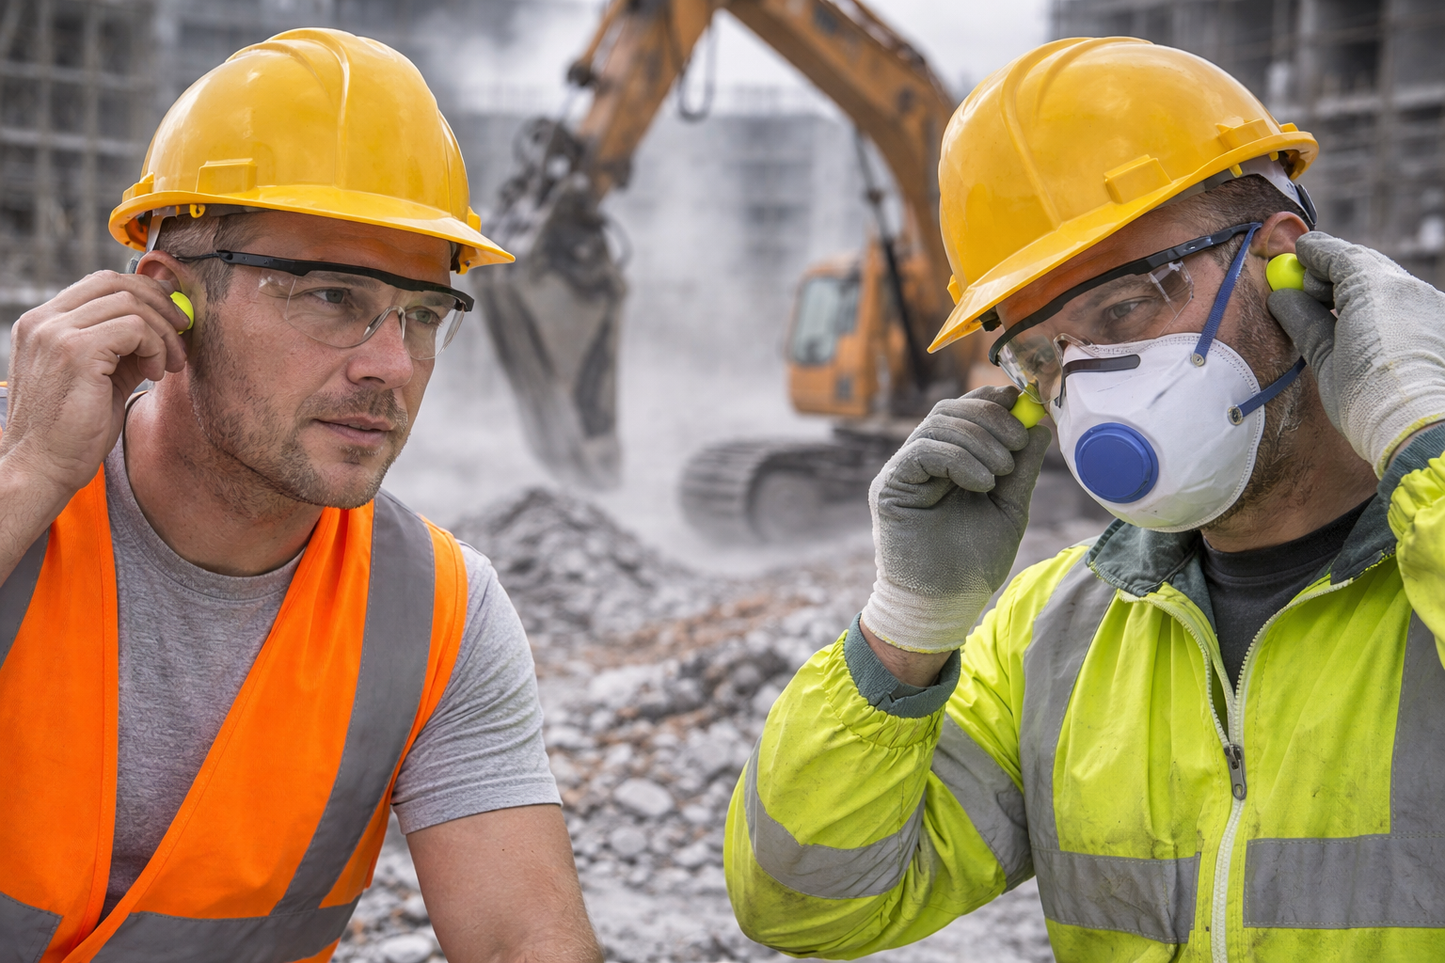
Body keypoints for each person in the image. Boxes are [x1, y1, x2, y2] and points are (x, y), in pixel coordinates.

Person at [724, 37, 1445, 962]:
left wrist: (1424, 442)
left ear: (1282, 263)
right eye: (1042, 351)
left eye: (1123, 308)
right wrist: (907, 623)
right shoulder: (1050, 637)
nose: (1090, 382)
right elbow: (801, 906)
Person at [0, 29, 601, 963]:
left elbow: (525, 941)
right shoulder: (19, 473)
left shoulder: (436, 615)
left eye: (424, 315)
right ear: (168, 301)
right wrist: (28, 476)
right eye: (330, 297)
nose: (391, 365)